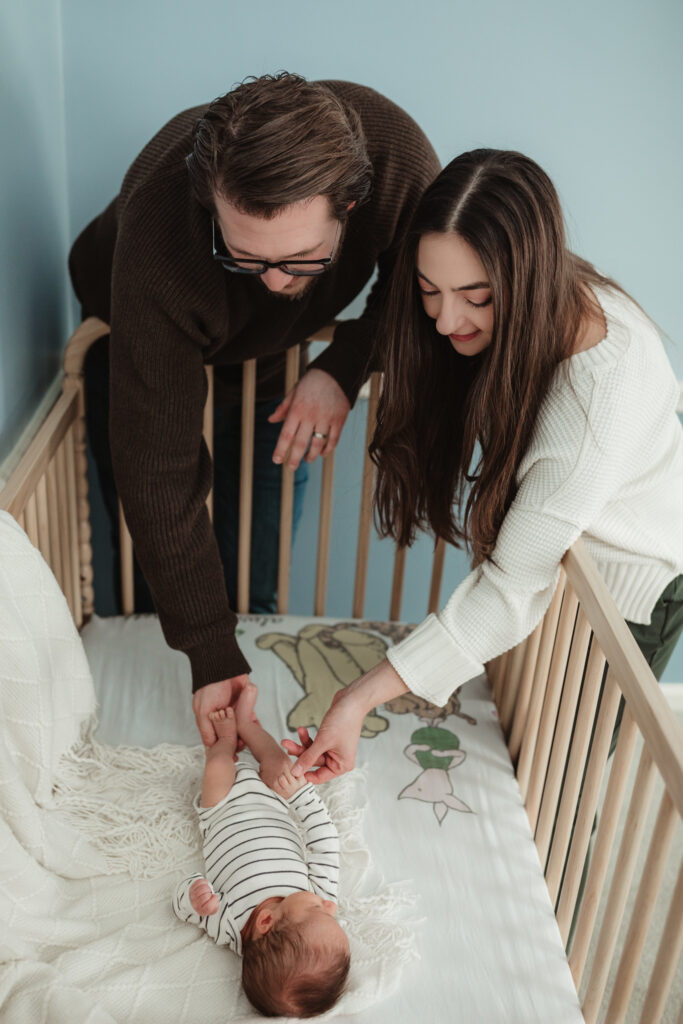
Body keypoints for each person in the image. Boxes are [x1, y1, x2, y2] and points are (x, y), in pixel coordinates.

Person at [284, 149, 683, 784]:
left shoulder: (591, 410)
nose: (445, 320)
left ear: (525, 279)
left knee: (564, 780)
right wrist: (335, 369)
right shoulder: (549, 293)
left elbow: (508, 591)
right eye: (428, 291)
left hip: (633, 580)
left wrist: (356, 699)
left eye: (475, 297)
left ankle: (565, 882)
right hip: (581, 535)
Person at [68, 72, 440, 745]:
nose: (273, 281)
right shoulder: (158, 241)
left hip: (269, 354)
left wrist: (341, 367)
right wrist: (210, 653)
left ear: (351, 208)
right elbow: (159, 472)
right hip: (134, 329)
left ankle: (249, 628)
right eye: (245, 256)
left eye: (299, 260)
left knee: (255, 545)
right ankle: (191, 653)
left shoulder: (397, 162)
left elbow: (419, 288)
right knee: (153, 554)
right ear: (211, 205)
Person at [173, 687, 349, 1018]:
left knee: (218, 767)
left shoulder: (227, 924)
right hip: (274, 797)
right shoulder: (320, 895)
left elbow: (182, 906)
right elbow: (324, 840)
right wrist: (299, 796)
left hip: (221, 807)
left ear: (266, 920)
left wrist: (195, 896)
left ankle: (224, 742)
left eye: (320, 912)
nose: (330, 905)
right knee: (279, 763)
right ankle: (248, 725)